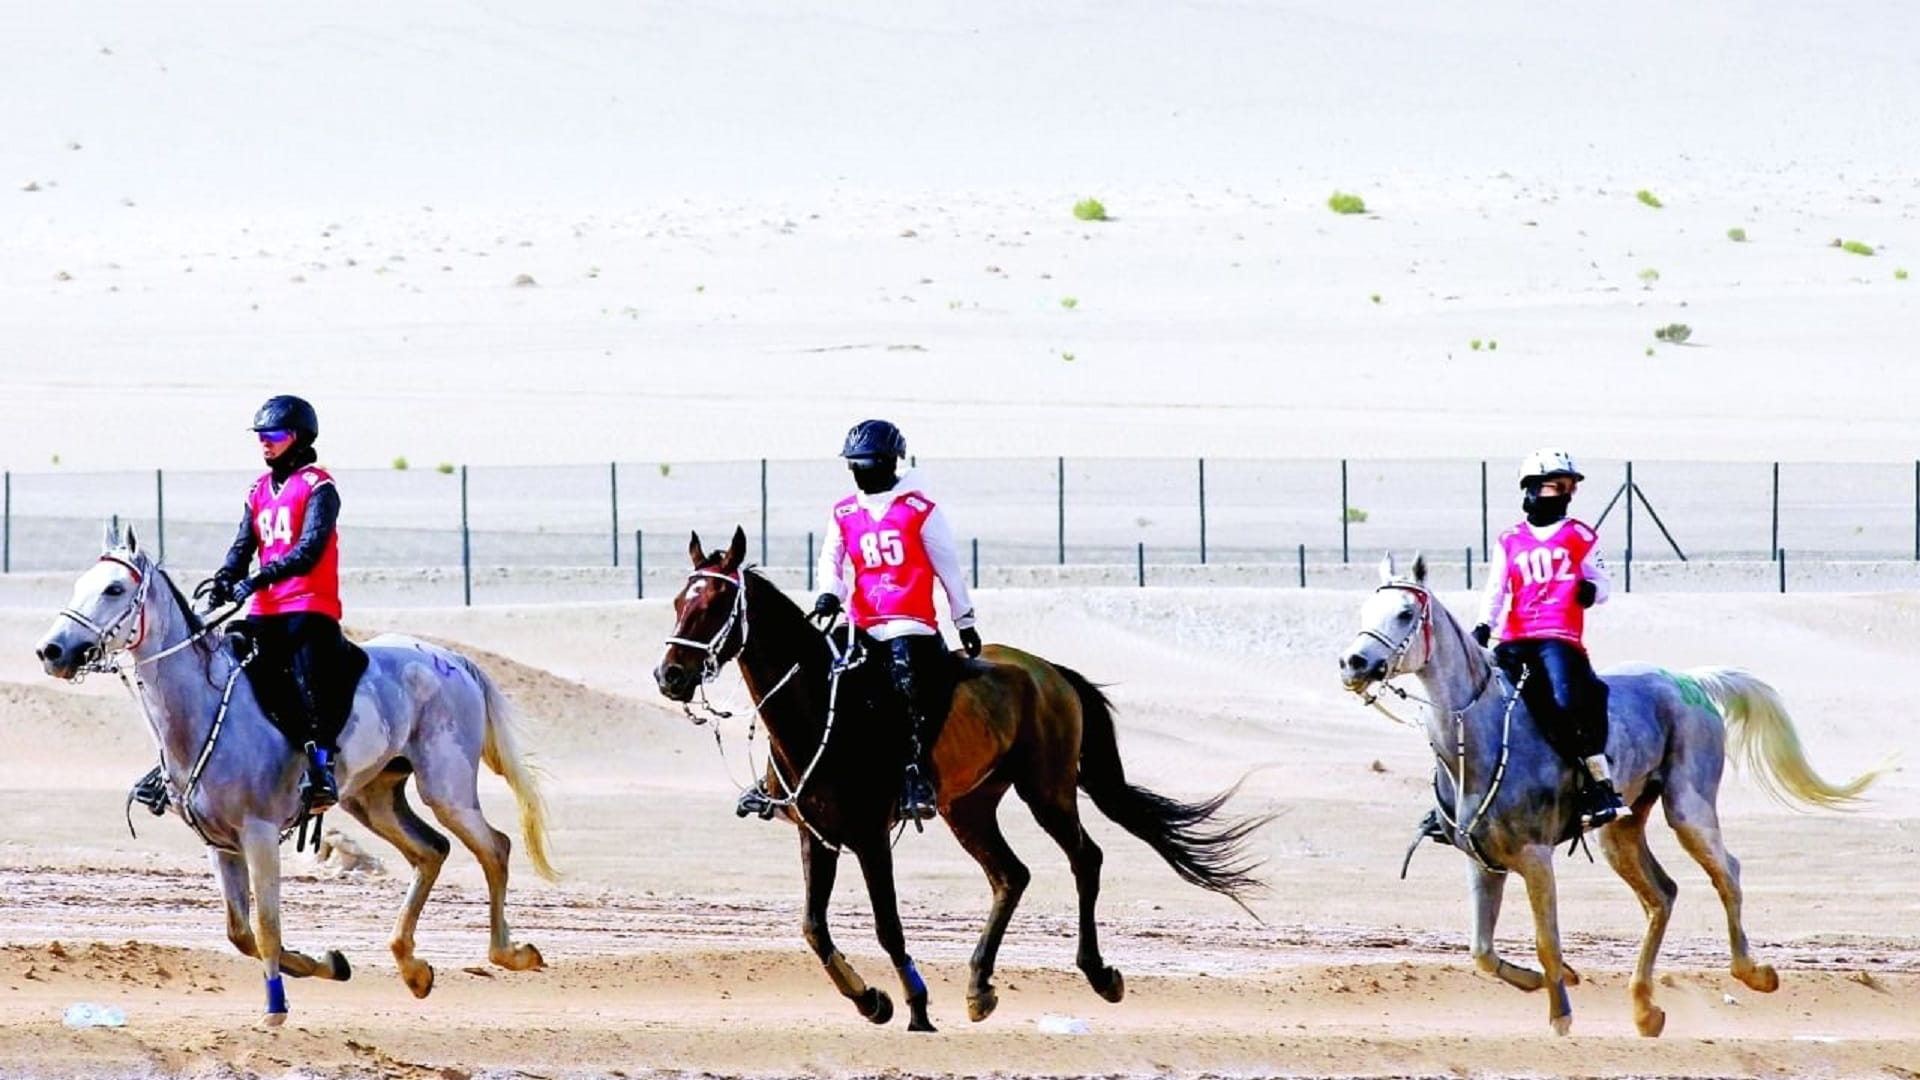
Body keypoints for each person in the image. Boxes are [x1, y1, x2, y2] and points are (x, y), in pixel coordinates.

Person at [735, 419, 981, 823]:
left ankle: (914, 775)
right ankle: (776, 778)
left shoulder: (921, 511)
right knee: (807, 681)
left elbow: (949, 569)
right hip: (862, 622)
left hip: (910, 623)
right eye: (855, 465)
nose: (861, 472)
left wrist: (964, 620)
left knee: (907, 691)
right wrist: (830, 592)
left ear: (890, 462)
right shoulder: (845, 512)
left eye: (868, 464)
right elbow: (830, 558)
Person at [141, 395, 348, 817]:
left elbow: (308, 550)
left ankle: (321, 768)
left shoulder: (319, 487)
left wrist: (256, 579)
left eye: (273, 435)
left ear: (299, 437)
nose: (265, 444)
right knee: (218, 669)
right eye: (261, 437)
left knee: (310, 682)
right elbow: (242, 548)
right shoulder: (258, 491)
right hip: (265, 610)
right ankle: (173, 768)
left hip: (310, 606)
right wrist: (224, 579)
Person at [1472, 448, 1629, 831]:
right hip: (1515, 636)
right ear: (1530, 489)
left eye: (1569, 487)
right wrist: (1482, 625)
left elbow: (1604, 581)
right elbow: (1496, 589)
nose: (1565, 494)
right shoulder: (1509, 540)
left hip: (1558, 636)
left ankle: (1597, 784)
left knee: (1567, 700)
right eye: (1556, 486)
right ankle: (1459, 794)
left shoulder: (1580, 535)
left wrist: (1592, 590)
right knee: (1479, 701)